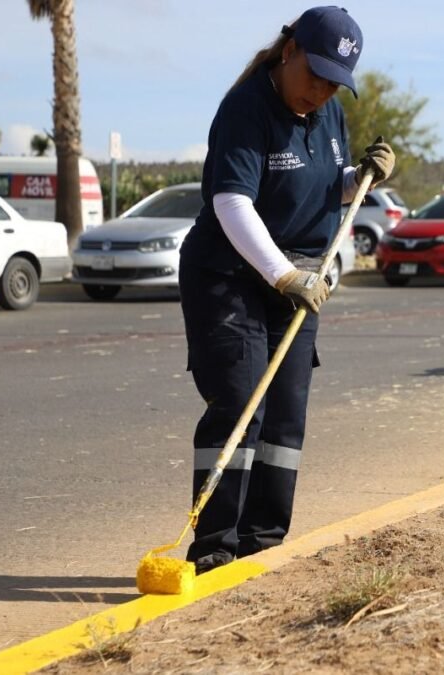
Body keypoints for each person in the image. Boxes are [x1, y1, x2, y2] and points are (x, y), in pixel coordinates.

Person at [178, 6, 395, 574]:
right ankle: (215, 546)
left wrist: (361, 179)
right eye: (315, 75)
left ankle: (263, 542)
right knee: (240, 403)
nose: (320, 91)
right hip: (230, 275)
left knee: (284, 415)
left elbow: (319, 186)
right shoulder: (247, 106)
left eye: (333, 84)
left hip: (298, 277)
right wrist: (283, 275)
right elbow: (232, 201)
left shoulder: (327, 114)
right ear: (289, 49)